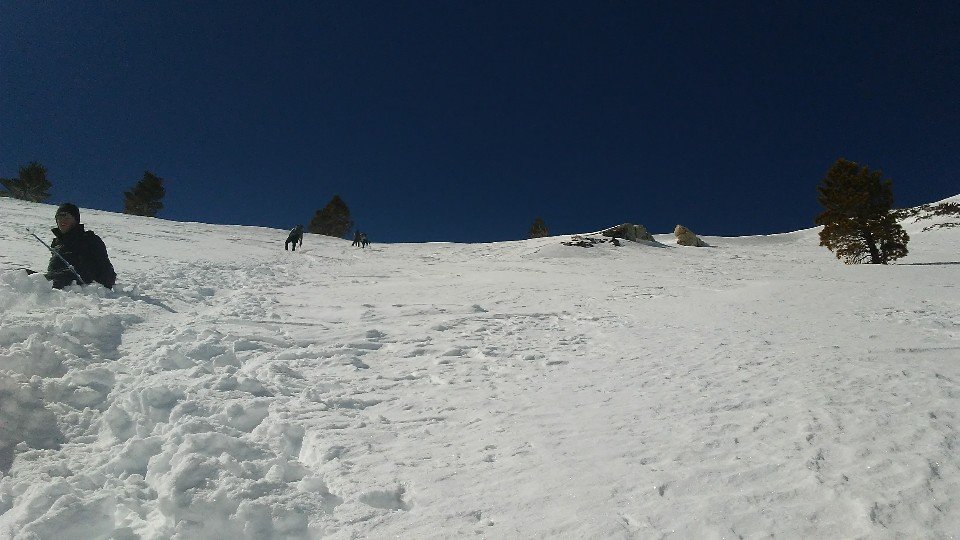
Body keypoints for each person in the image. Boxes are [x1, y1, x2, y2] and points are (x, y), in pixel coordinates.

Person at [45, 203, 116, 289]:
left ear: (75, 220)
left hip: (79, 289)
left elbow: (106, 270)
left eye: (66, 217)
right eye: (59, 217)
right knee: (30, 277)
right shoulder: (57, 244)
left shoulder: (89, 240)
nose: (62, 220)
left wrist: (86, 279)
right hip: (53, 285)